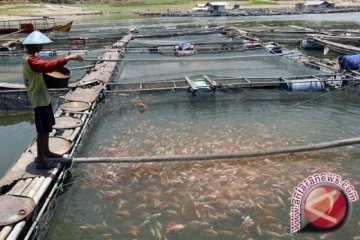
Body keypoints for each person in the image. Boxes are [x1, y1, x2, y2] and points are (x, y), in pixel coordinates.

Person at [22, 30, 84, 169]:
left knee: (47, 127)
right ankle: (40, 159)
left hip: (42, 96)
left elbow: (43, 65)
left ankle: (46, 151)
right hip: (38, 98)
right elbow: (45, 66)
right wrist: (68, 57)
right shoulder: (30, 60)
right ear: (34, 45)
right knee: (42, 130)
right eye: (40, 45)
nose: (42, 47)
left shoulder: (30, 57)